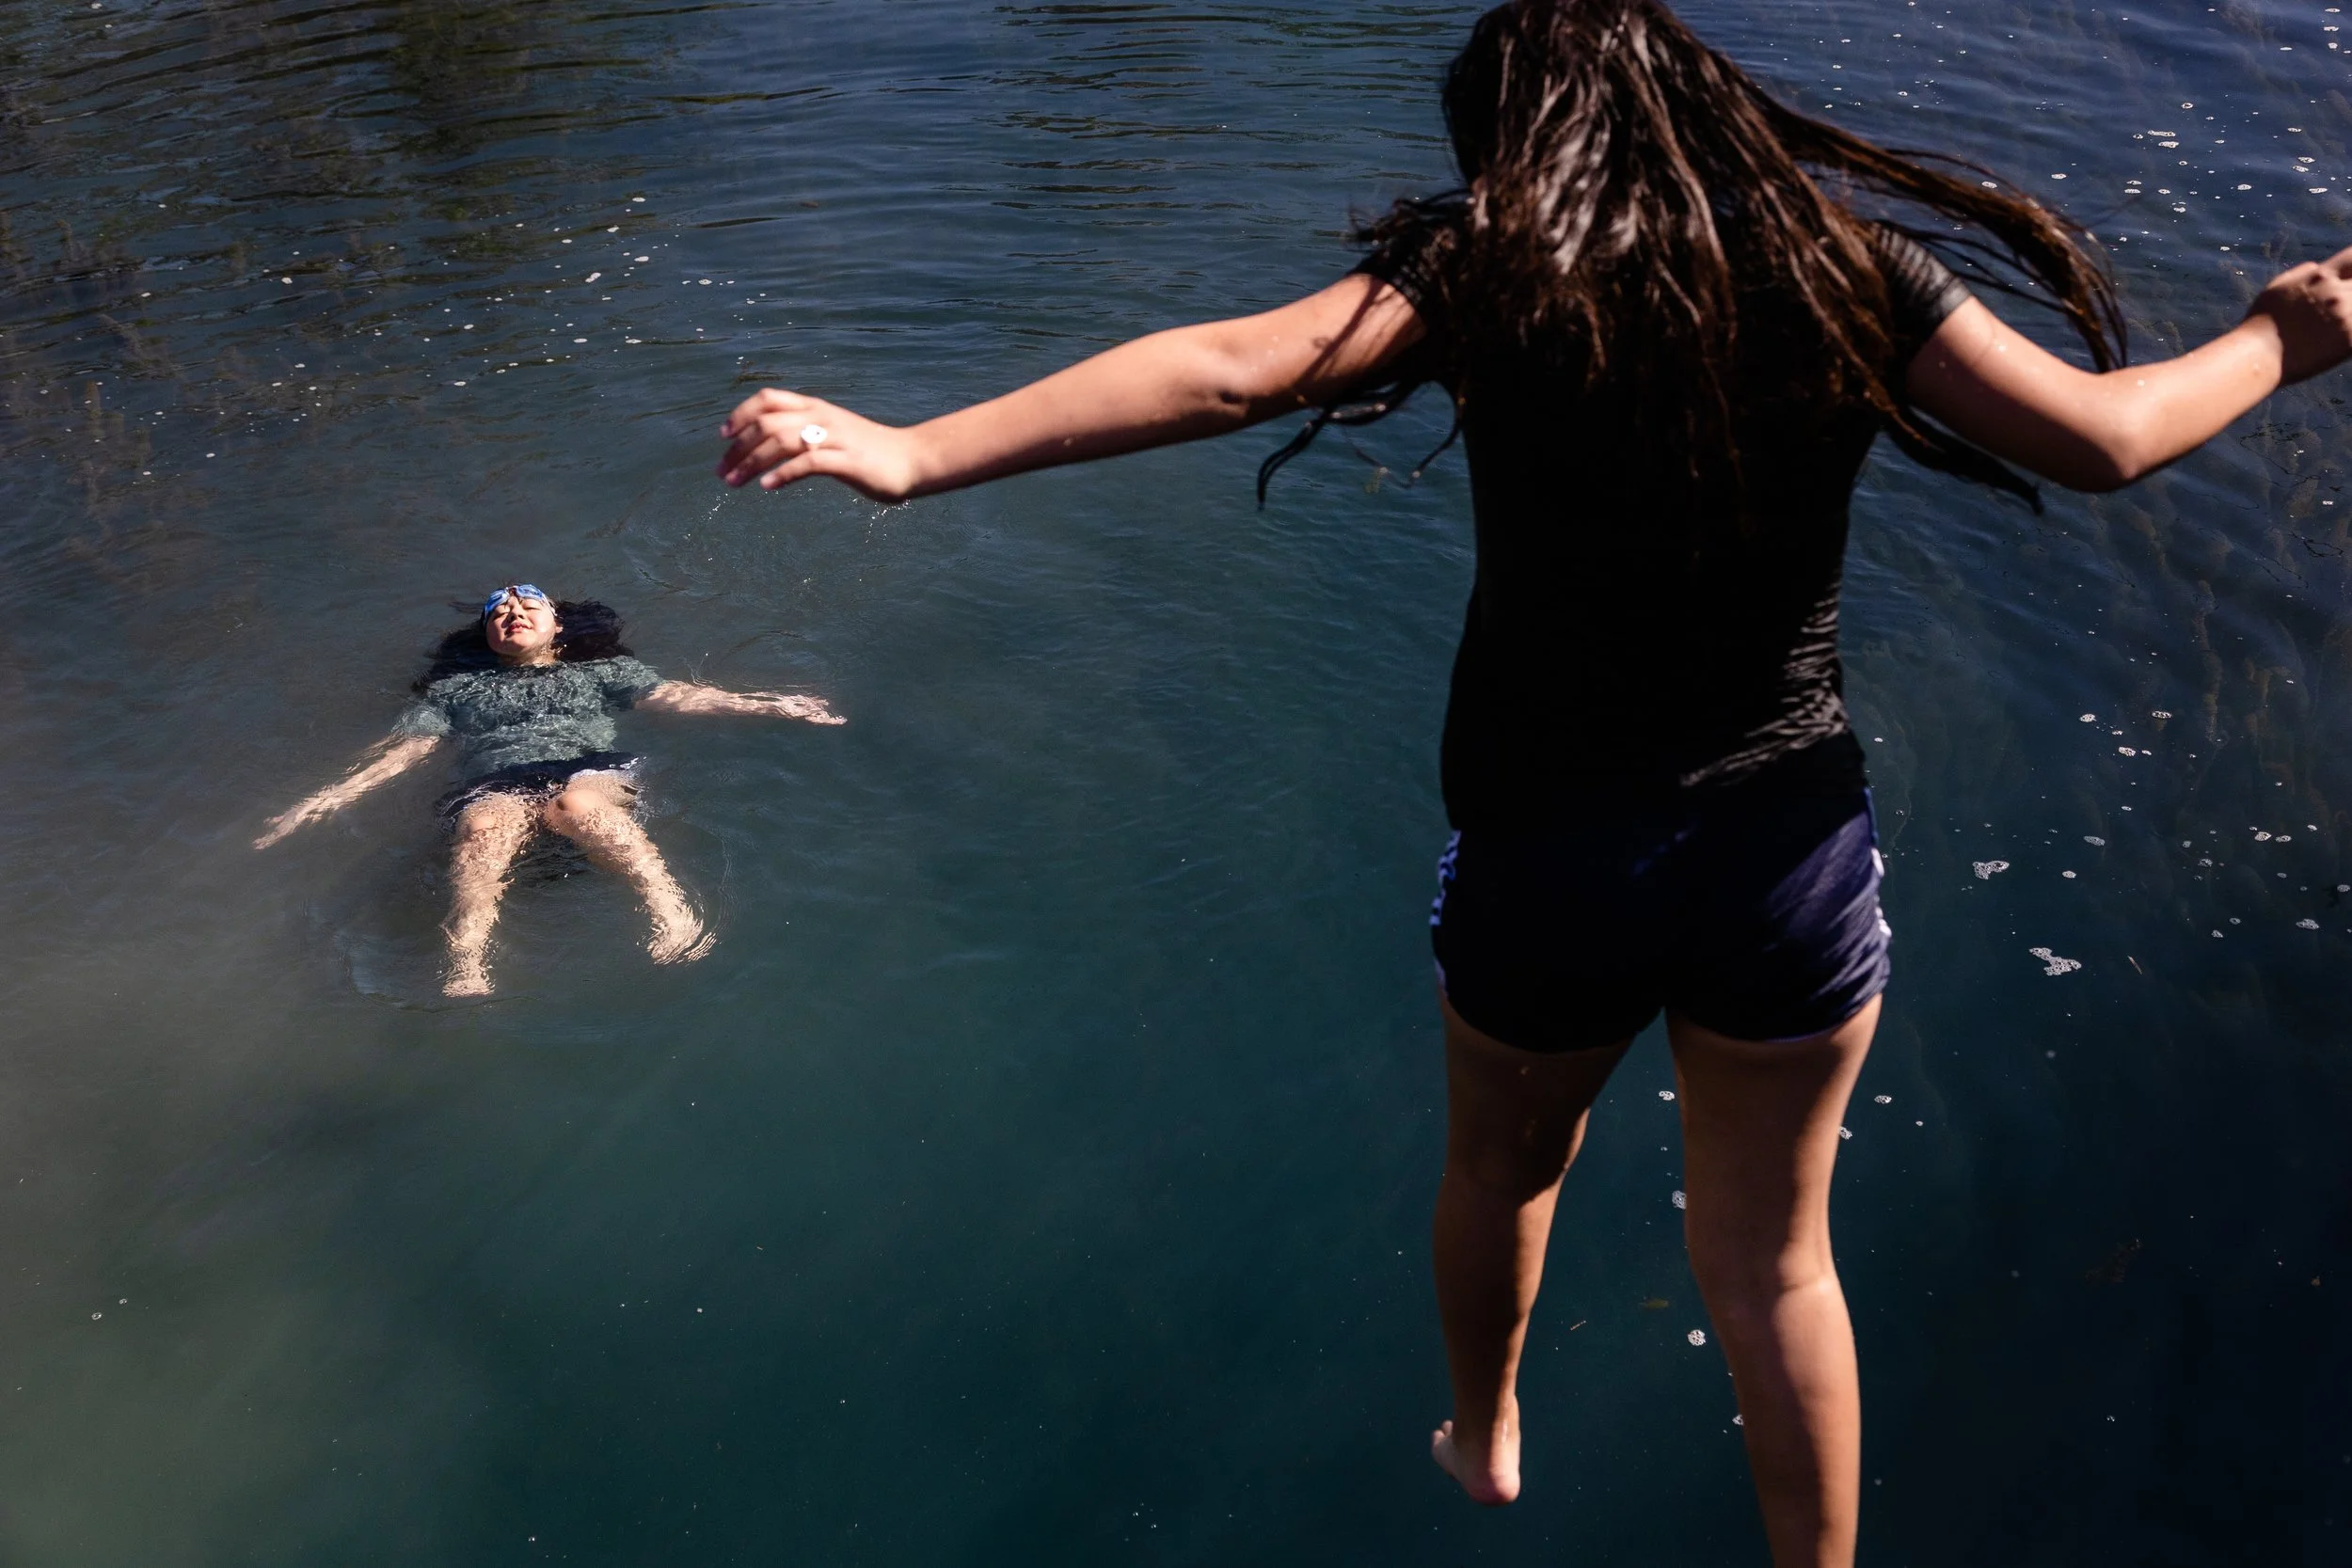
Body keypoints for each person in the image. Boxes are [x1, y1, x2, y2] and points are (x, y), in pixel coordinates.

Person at [711, 1, 2352, 1560]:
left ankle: (1485, 1430)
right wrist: (2282, 335)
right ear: (1692, 102)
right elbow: (2110, 435)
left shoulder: (1494, 271)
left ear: (1516, 145)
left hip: (1552, 855)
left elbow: (1227, 369)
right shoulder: (1853, 269)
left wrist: (916, 449)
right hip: (1785, 849)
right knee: (1779, 1260)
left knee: (1504, 1168)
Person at [257, 584, 844, 996]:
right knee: (483, 823)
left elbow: (678, 696)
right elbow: (405, 752)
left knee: (575, 804)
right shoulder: (452, 690)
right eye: (498, 613)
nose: (511, 614)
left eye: (526, 605)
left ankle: (670, 912)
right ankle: (466, 958)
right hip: (494, 782)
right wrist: (325, 799)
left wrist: (772, 705)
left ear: (558, 625)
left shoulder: (603, 671)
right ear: (486, 634)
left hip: (591, 768)